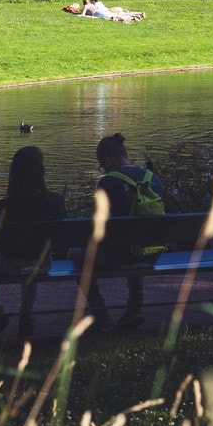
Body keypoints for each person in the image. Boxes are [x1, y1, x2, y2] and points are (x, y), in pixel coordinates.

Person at [0, 146, 67, 340]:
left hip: (11, 264)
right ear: (41, 170)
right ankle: (25, 315)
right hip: (43, 264)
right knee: (32, 259)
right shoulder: (56, 201)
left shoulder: (7, 205)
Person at [77, 133, 165, 330]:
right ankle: (135, 307)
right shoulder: (154, 179)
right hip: (151, 255)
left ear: (107, 159)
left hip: (118, 257)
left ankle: (100, 312)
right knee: (136, 241)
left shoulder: (108, 183)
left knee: (74, 255)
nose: (103, 169)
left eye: (102, 165)